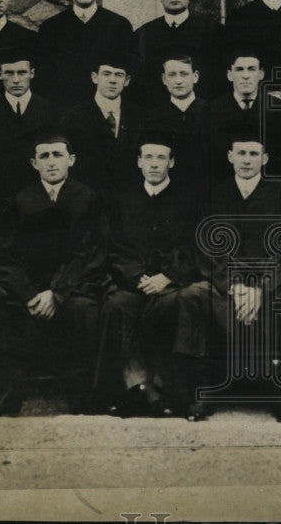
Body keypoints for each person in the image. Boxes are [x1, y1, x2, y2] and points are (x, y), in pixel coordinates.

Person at [0, 129, 107, 420]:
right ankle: (5, 396)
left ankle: (83, 396)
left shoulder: (89, 199)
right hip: (27, 289)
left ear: (72, 160)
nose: (51, 161)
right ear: (34, 164)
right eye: (44, 156)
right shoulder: (18, 202)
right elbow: (0, 256)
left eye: (58, 155)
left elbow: (93, 253)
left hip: (72, 286)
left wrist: (56, 293)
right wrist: (30, 293)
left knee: (85, 308)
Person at [176, 127, 281, 422]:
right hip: (227, 282)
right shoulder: (215, 197)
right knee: (193, 296)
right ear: (230, 157)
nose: (247, 160)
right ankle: (204, 391)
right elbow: (206, 250)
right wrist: (235, 286)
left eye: (253, 154)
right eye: (241, 153)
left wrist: (261, 288)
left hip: (272, 282)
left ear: (265, 158)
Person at [95, 129, 201, 418]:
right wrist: (138, 277)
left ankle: (170, 393)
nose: (154, 164)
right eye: (148, 157)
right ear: (138, 162)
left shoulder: (187, 200)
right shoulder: (122, 200)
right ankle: (125, 393)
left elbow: (194, 248)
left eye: (161, 158)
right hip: (133, 283)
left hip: (171, 284)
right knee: (117, 306)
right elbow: (113, 247)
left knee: (181, 305)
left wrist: (168, 277)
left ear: (172, 163)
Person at [0, 45, 59, 220]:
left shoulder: (51, 111)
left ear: (32, 73)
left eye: (22, 73)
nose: (16, 80)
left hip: (41, 202)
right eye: (9, 73)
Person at [36, 0, 135, 108]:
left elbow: (127, 73)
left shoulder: (119, 25)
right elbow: (44, 79)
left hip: (104, 110)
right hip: (63, 111)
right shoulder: (50, 28)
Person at [131, 0, 224, 107]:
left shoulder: (213, 31)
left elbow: (219, 77)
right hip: (157, 114)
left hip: (202, 112)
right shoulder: (144, 34)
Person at [58, 50, 144, 196]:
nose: (113, 80)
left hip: (130, 200)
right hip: (88, 198)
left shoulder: (140, 117)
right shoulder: (74, 117)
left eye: (119, 75)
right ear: (94, 77)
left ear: (127, 81)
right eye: (107, 74)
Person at [144, 51, 210, 202]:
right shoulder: (154, 117)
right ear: (164, 79)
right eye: (172, 74)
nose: (178, 80)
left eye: (184, 74)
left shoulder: (209, 112)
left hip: (205, 191)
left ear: (195, 76)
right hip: (168, 194)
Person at [208, 44, 265, 184]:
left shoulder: (277, 109)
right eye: (239, 70)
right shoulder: (213, 110)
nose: (245, 76)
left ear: (261, 74)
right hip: (223, 185)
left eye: (251, 69)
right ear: (230, 75)